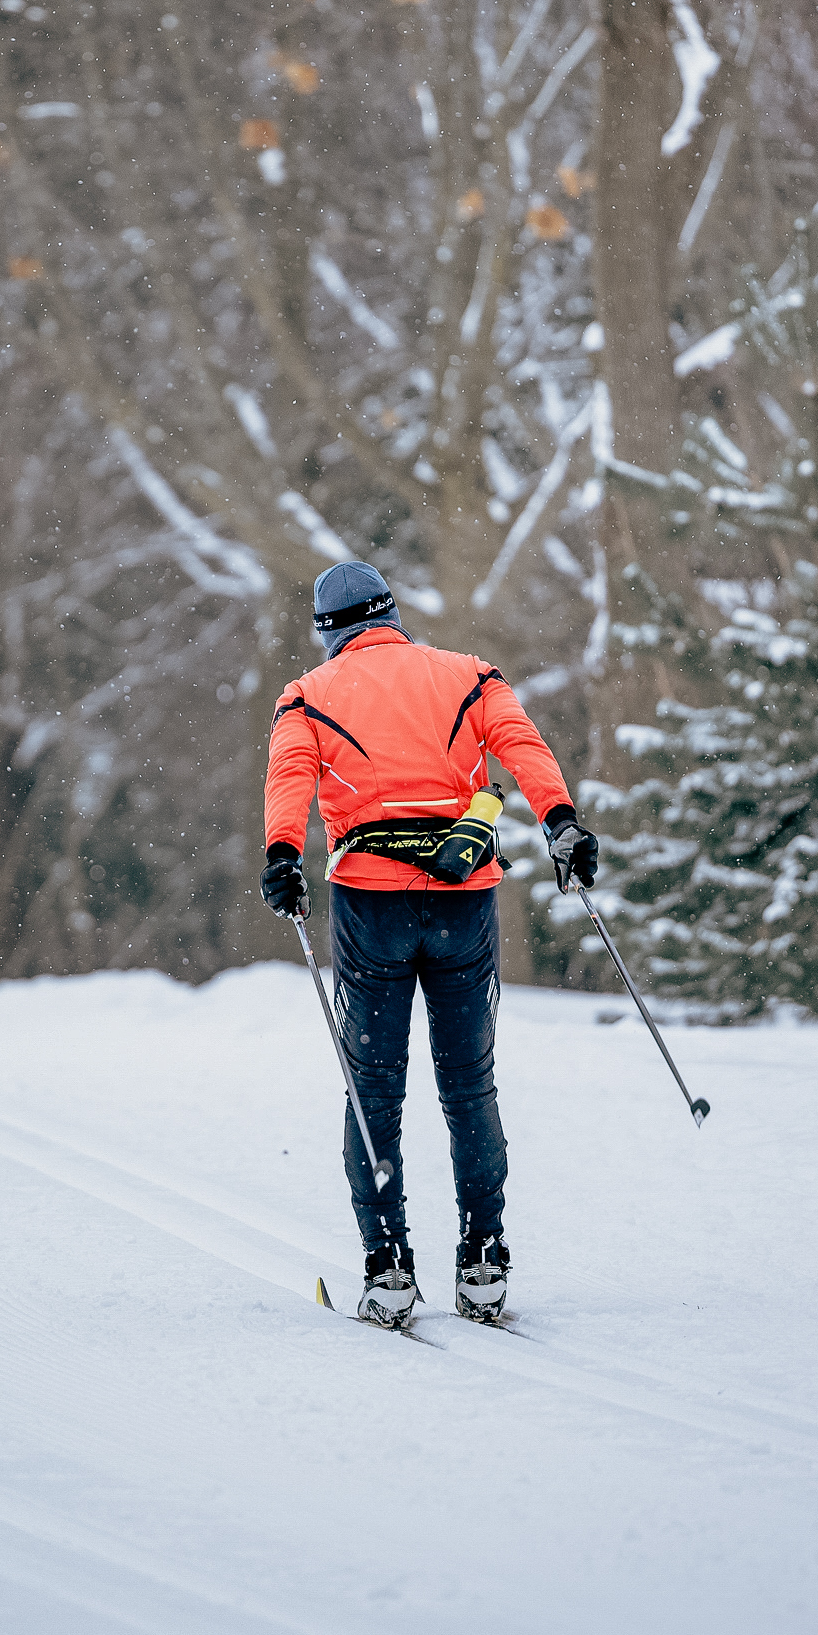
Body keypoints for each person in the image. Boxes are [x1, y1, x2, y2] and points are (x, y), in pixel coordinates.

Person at [259, 560, 597, 1329]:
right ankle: (483, 1262)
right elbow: (522, 746)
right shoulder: (469, 675)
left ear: (327, 633)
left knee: (371, 1087)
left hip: (369, 905)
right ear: (392, 615)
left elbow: (289, 778)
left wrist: (282, 854)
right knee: (467, 1086)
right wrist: (561, 822)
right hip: (463, 902)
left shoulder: (307, 695)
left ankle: (387, 1270)